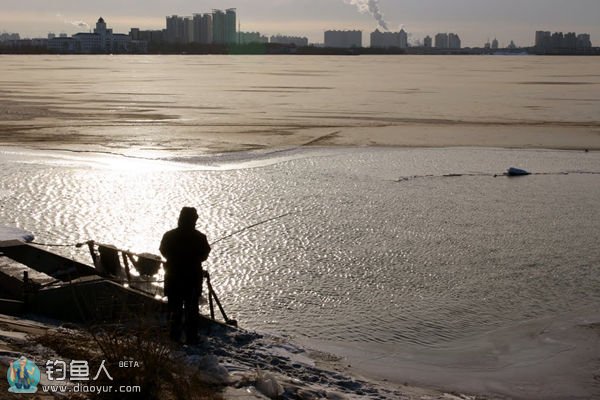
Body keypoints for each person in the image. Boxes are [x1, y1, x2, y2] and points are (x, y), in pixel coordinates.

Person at [160, 207, 211, 344]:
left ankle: (174, 337)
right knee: (192, 310)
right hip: (192, 280)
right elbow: (204, 255)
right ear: (193, 219)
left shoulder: (169, 235)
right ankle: (191, 337)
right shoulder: (200, 237)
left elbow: (163, 251)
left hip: (173, 278)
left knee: (174, 308)